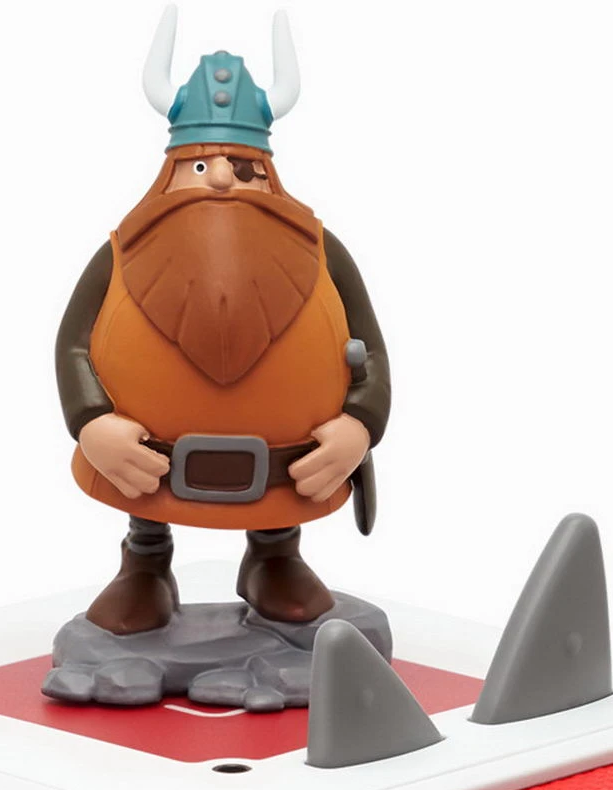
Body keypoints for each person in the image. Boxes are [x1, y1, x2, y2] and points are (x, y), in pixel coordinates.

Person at [55, 9, 390, 635]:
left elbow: (369, 347)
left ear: (268, 172)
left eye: (243, 167)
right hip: (149, 462)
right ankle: (145, 562)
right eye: (199, 167)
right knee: (146, 498)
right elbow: (74, 343)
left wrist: (360, 423)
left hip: (286, 469)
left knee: (278, 514)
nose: (220, 183)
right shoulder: (123, 252)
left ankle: (275, 556)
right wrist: (91, 420)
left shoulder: (320, 250)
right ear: (170, 170)